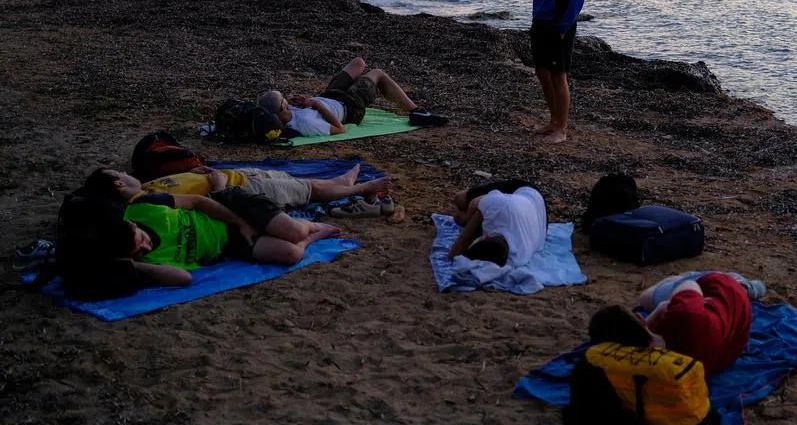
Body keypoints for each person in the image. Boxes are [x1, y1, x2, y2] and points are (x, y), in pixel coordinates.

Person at [82, 182, 342, 291]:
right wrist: (134, 264)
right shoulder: (148, 262)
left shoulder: (143, 208)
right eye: (140, 251)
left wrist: (239, 221)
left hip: (228, 207)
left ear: (131, 223)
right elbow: (184, 278)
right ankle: (314, 237)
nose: (146, 247)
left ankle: (307, 225)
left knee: (295, 231)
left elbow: (198, 201)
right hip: (228, 243)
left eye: (142, 239)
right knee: (291, 253)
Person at [587, 271, 765, 375]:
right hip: (726, 293)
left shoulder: (650, 367)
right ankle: (744, 285)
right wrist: (662, 309)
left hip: (729, 348)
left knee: (659, 294)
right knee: (649, 296)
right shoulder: (682, 316)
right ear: (640, 320)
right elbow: (690, 285)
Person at [257, 57, 447, 138]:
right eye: (284, 100)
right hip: (349, 108)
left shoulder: (286, 112)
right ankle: (416, 112)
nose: (287, 100)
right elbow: (340, 130)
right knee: (377, 73)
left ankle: (351, 83)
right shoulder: (306, 123)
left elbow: (275, 108)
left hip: (330, 96)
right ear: (282, 109)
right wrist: (316, 104)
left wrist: (305, 101)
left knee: (358, 63)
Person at [82, 164, 394, 209]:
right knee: (309, 192)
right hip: (240, 189)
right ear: (118, 182)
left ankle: (342, 183)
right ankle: (361, 189)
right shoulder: (148, 201)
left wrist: (193, 172)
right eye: (120, 172)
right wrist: (218, 187)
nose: (126, 172)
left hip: (238, 175)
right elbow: (195, 205)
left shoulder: (148, 187)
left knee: (302, 183)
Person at [530, 0, 584, 144]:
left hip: (559, 24)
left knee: (558, 75)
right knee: (541, 72)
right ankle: (553, 121)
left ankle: (561, 129)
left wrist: (563, 26)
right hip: (539, 21)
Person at [447, 180, 546, 267]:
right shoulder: (496, 204)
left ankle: (470, 216)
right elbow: (474, 203)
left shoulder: (516, 260)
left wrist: (471, 225)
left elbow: (456, 251)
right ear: (487, 236)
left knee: (458, 218)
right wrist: (471, 220)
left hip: (538, 215)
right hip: (526, 192)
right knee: (459, 199)